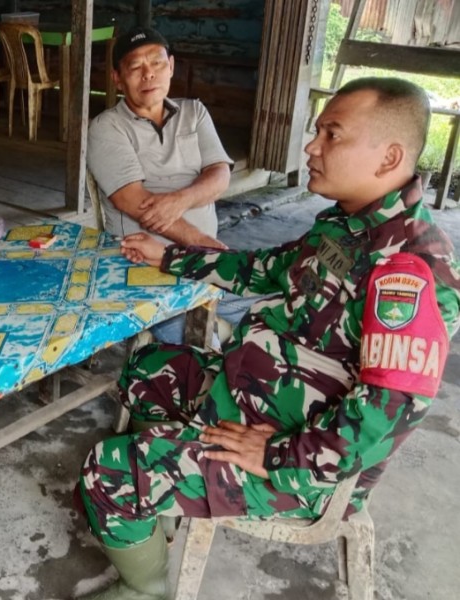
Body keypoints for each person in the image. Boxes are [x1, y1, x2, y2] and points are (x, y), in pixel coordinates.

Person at [76, 77, 460, 599]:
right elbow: (265, 269)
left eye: (332, 135)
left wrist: (281, 455)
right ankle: (159, 509)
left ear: (389, 157)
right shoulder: (346, 226)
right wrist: (169, 255)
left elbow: (391, 409)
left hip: (301, 463)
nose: (311, 147)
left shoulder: (409, 268)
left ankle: (146, 589)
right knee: (148, 369)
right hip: (256, 397)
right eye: (317, 132)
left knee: (107, 471)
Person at [87, 26, 256, 344]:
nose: (148, 74)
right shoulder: (107, 127)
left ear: (171, 67)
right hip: (146, 266)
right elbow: (135, 202)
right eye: (135, 67)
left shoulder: (195, 112)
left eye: (157, 62)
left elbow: (220, 175)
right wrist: (208, 248)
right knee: (201, 350)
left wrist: (181, 199)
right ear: (117, 78)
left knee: (279, 313)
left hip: (205, 262)